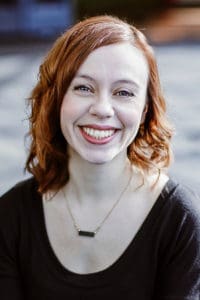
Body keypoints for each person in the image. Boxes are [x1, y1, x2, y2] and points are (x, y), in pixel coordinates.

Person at [0, 15, 199, 300]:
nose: (103, 108)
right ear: (56, 99)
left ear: (145, 110)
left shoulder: (179, 220)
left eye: (124, 92)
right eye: (83, 87)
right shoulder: (11, 217)